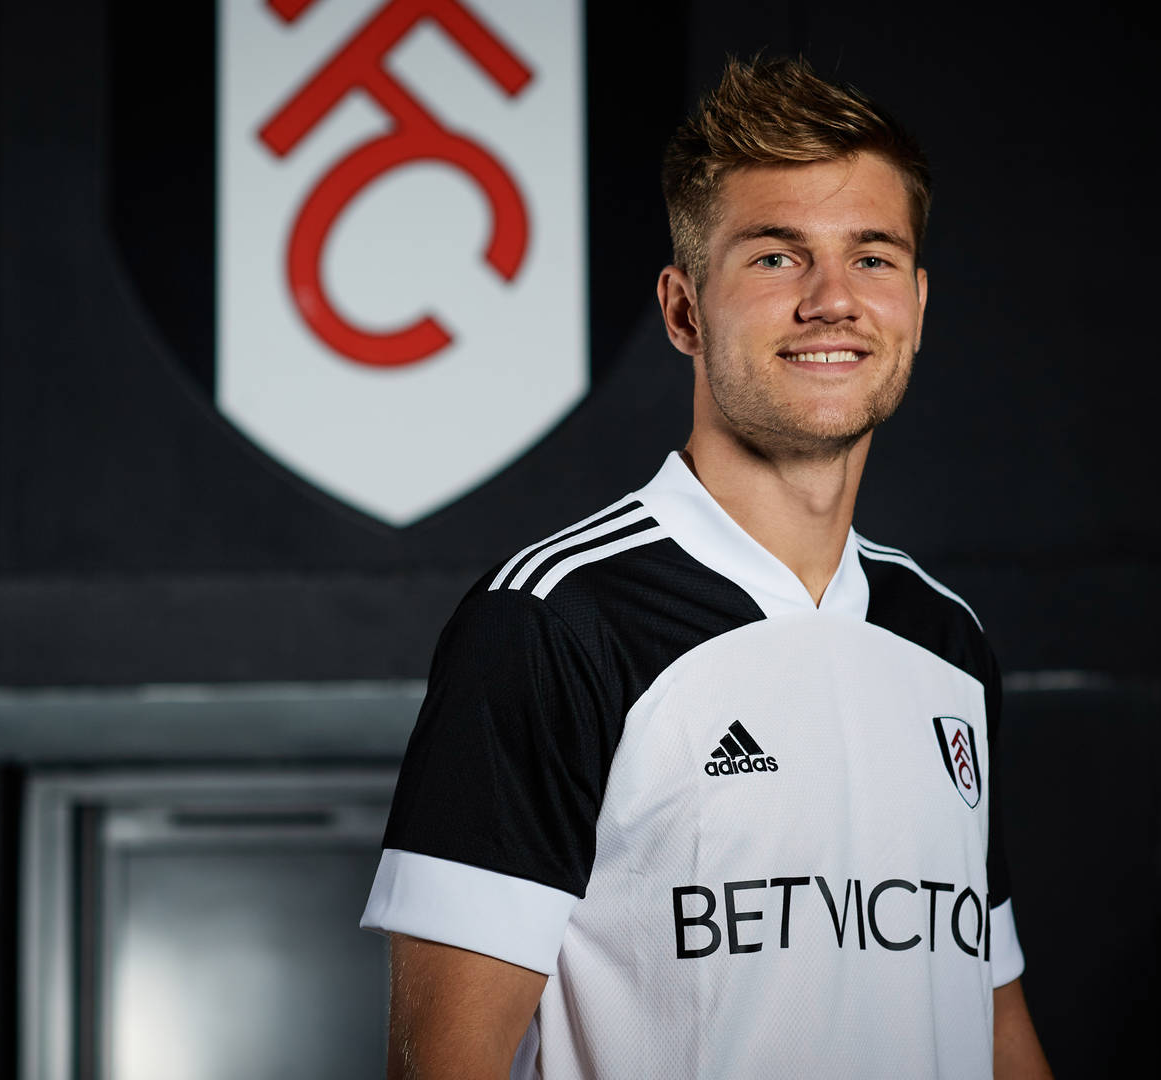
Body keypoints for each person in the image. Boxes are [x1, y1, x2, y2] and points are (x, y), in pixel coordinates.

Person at [361, 54, 1053, 1079]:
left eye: (871, 258)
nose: (832, 300)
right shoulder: (553, 621)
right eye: (776, 258)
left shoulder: (944, 636)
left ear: (914, 301)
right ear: (685, 310)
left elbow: (988, 1020)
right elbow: (443, 1065)